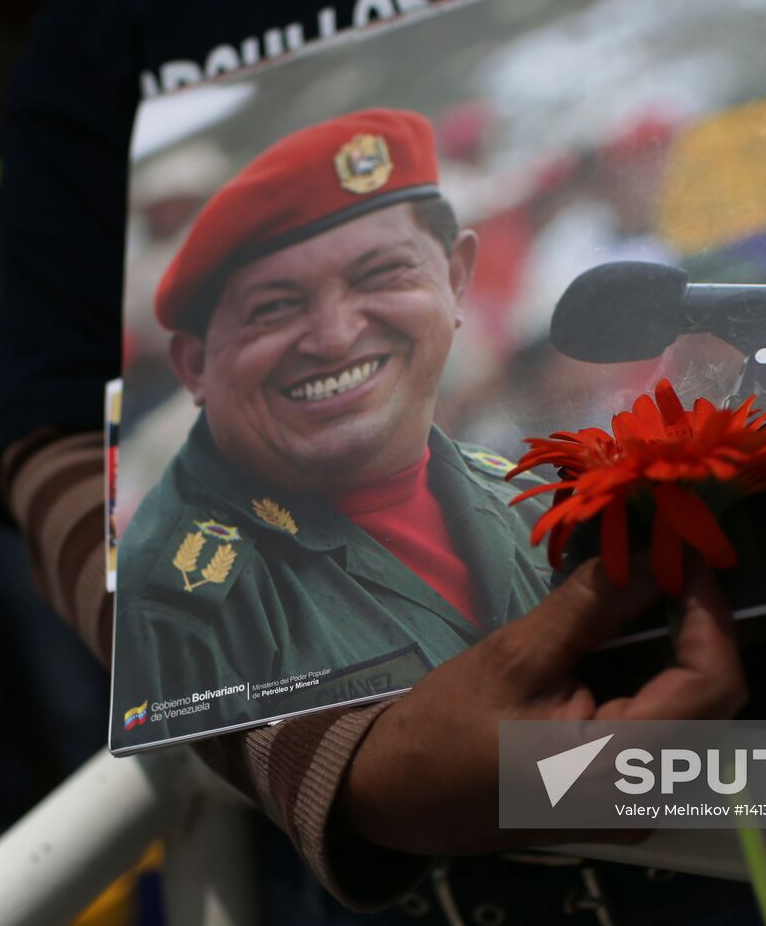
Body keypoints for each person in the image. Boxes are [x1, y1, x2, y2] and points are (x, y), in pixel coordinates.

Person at [0, 0, 766, 921]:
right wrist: (340, 758)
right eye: (278, 299)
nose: (333, 330)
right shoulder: (116, 24)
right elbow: (58, 444)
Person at [114, 109, 551, 745]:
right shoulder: (185, 596)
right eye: (275, 308)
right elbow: (389, 797)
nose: (336, 337)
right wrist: (688, 782)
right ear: (195, 364)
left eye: (380, 275)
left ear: (456, 280)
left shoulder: (527, 493)